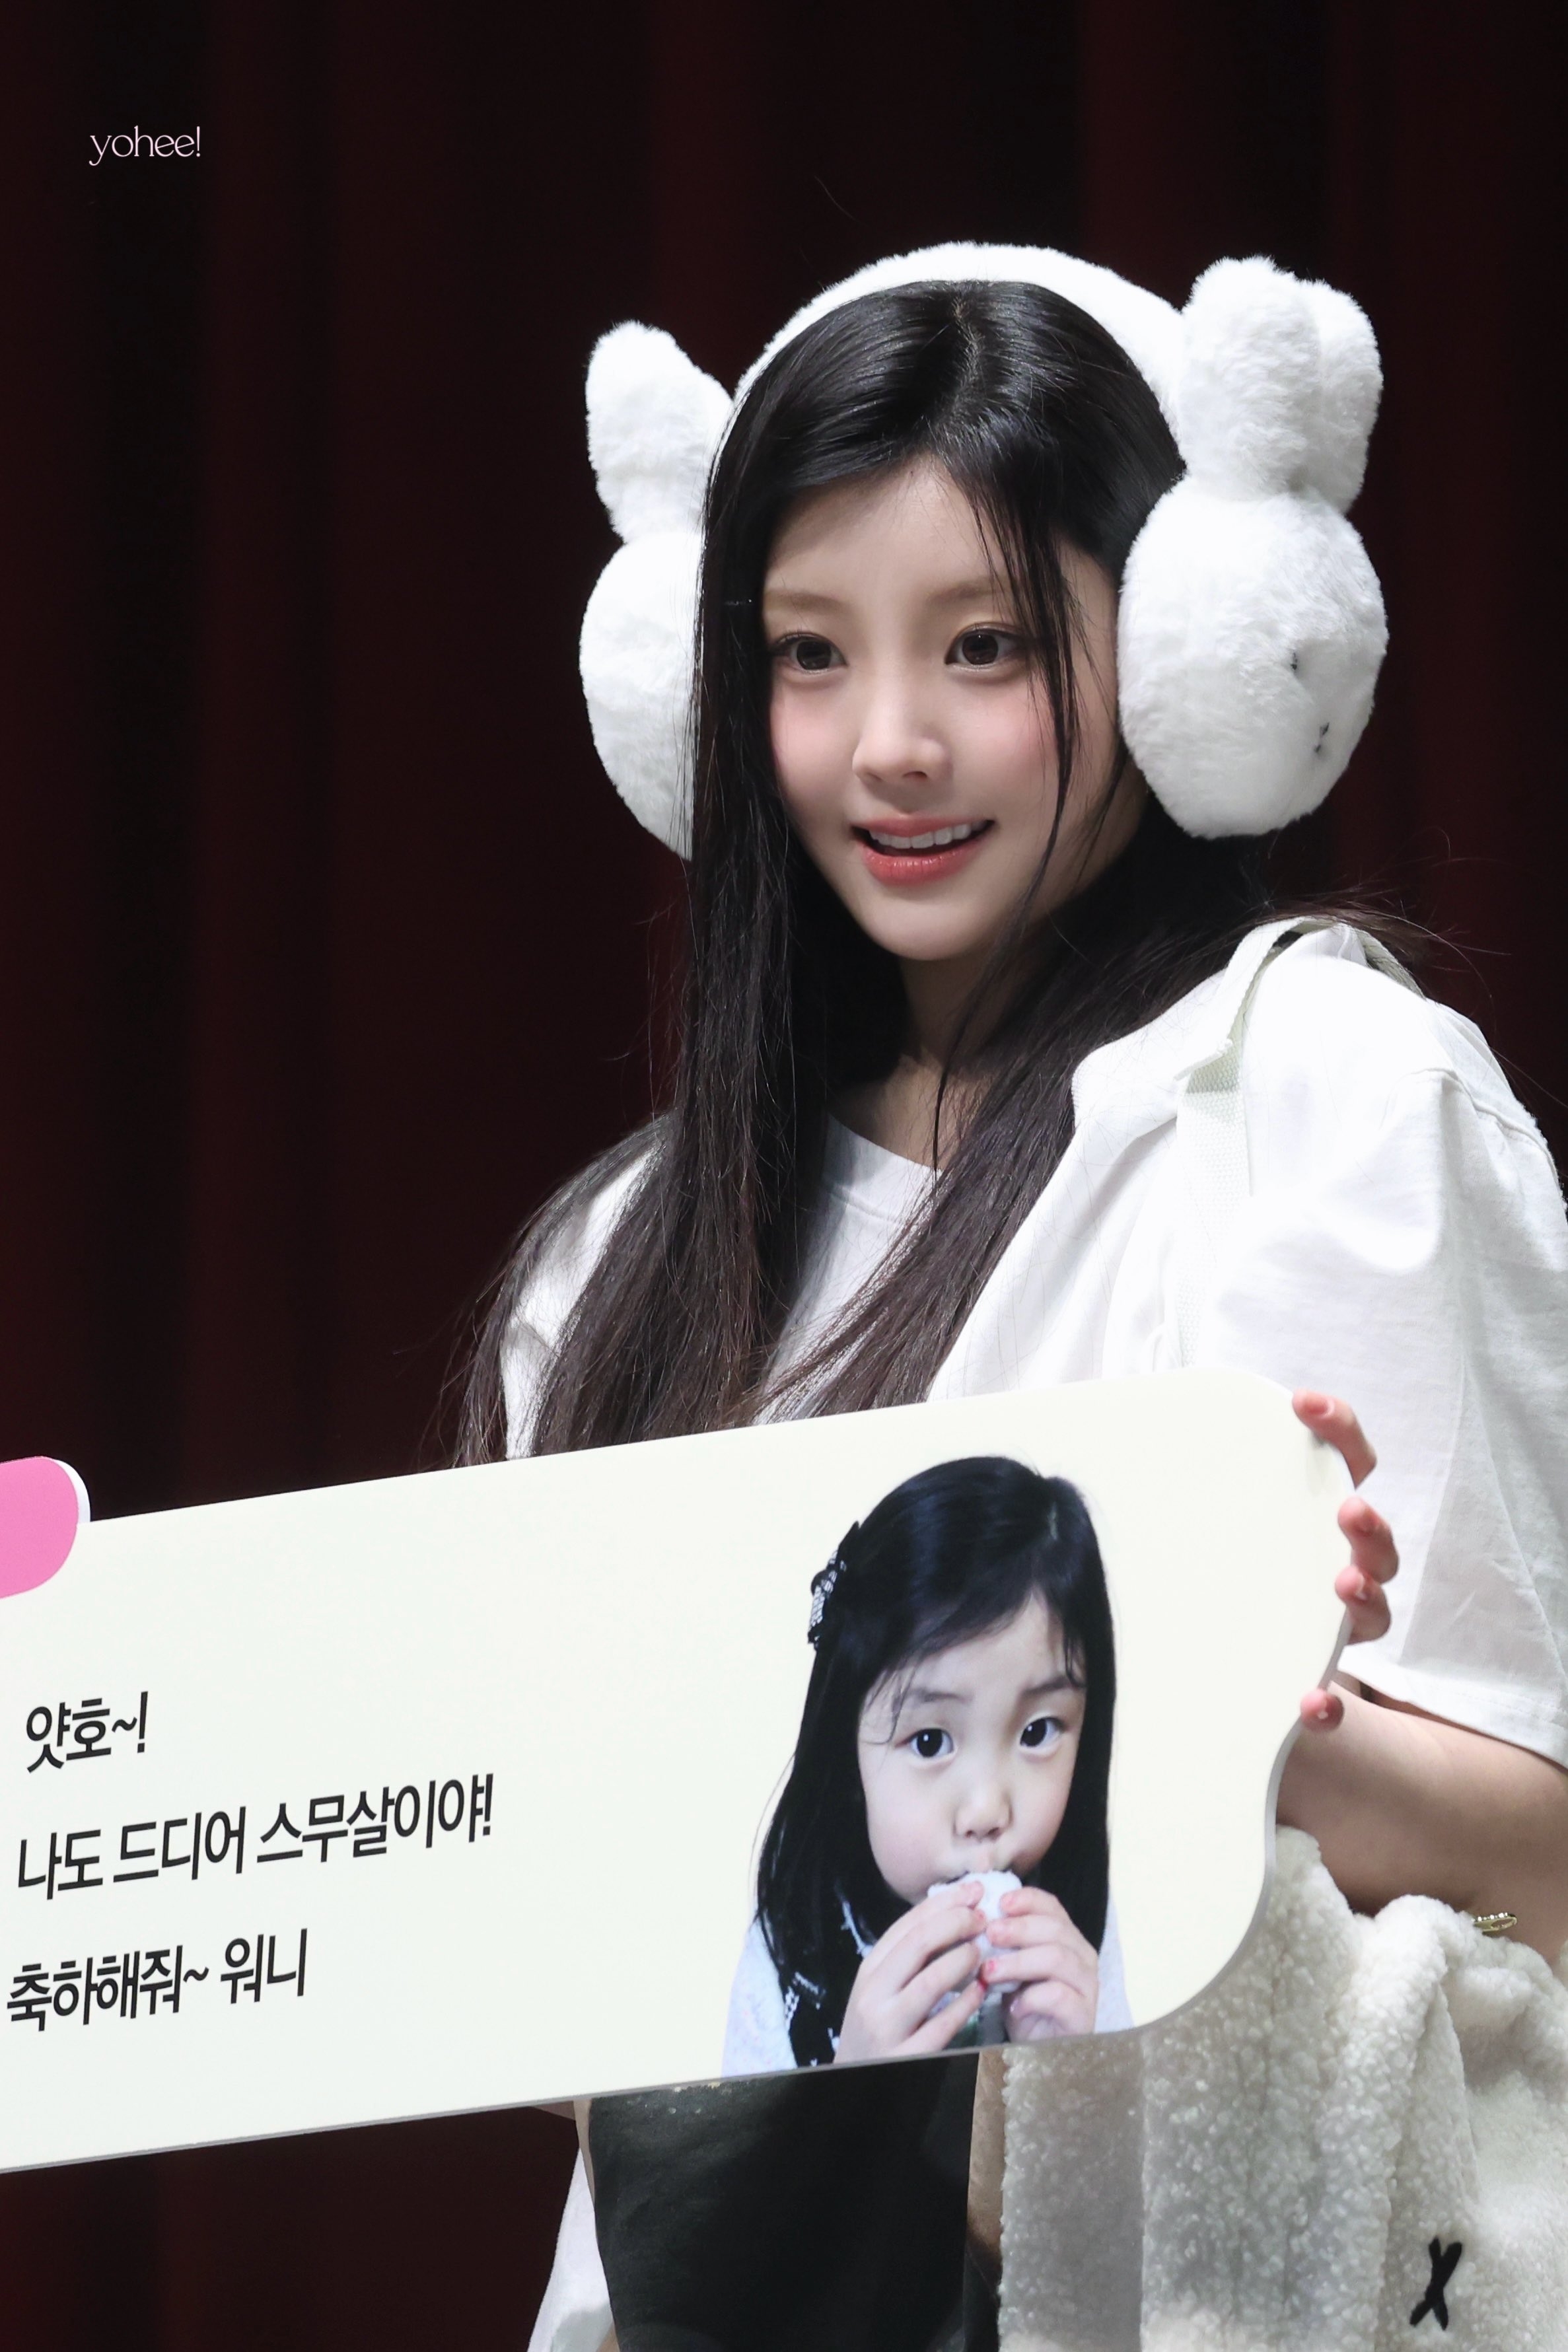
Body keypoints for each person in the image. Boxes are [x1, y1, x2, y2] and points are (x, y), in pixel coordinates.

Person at [465, 246, 1568, 2351]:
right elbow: (566, 1999)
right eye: (805, 655)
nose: (888, 745)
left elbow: (1543, 1859)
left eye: (982, 645)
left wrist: (1202, 1708)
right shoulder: (625, 1256)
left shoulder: (1324, 1098)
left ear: (1176, 651)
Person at [725, 1456, 1123, 2075]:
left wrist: (1072, 2069)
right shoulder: (791, 1948)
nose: (986, 1810)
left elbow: (1122, 2133)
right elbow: (749, 2142)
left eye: (1038, 1732)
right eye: (931, 1741)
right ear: (850, 1759)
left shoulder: (1072, 1923)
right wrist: (850, 2083)